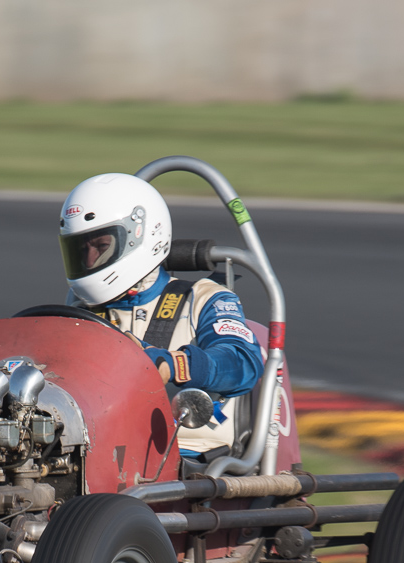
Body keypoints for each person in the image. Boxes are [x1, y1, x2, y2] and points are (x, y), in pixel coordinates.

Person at [58, 172, 264, 461]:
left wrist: (174, 364)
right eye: (81, 250)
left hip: (187, 458)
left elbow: (242, 362)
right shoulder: (78, 311)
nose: (90, 261)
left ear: (141, 236)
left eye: (101, 247)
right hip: (99, 451)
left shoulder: (204, 298)